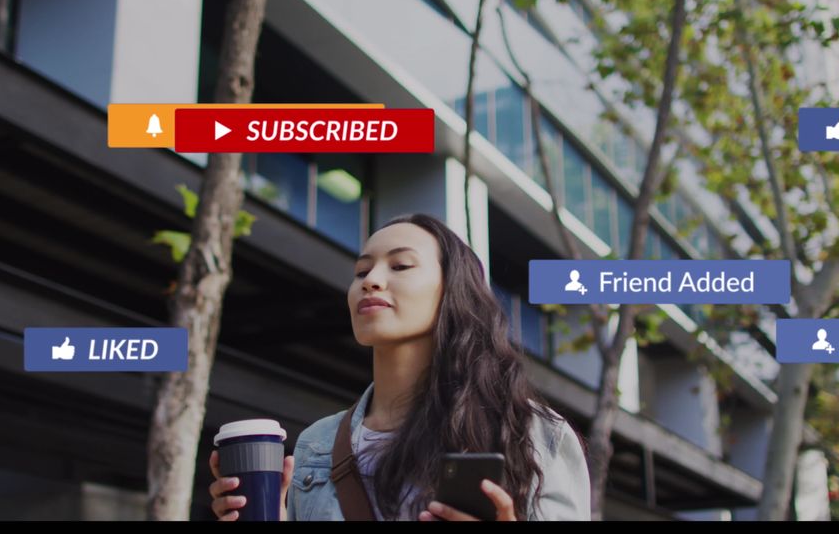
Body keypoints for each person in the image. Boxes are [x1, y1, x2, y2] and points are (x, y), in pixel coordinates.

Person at [209, 213, 591, 521]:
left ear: (452, 291)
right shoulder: (317, 443)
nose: (371, 281)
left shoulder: (531, 431)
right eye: (361, 272)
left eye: (401, 266)